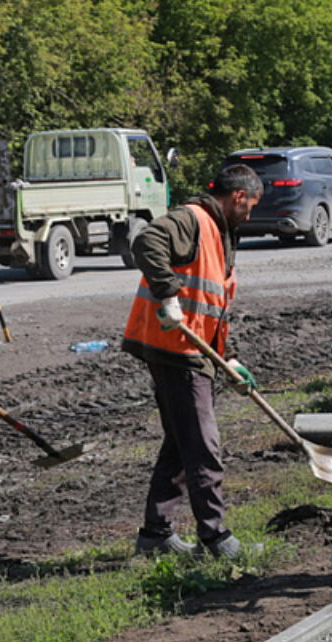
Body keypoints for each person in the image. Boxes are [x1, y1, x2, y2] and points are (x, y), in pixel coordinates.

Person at [121, 164, 263, 559]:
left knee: (181, 443)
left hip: (193, 349)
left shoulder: (221, 233)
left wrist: (228, 360)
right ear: (238, 197)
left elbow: (213, 305)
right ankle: (216, 538)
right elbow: (146, 242)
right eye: (250, 206)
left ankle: (155, 535)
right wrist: (167, 296)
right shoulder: (193, 219)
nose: (250, 215)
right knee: (202, 445)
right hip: (176, 349)